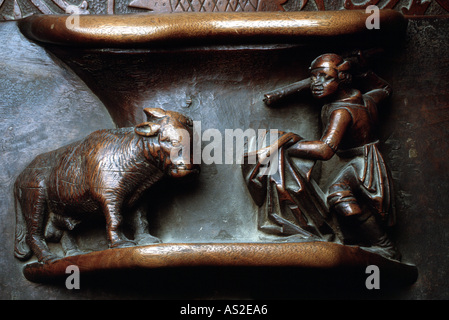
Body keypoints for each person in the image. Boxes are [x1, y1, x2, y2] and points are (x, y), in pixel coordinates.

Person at [287, 53, 400, 259]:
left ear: (344, 79)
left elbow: (325, 149)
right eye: (314, 77)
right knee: (339, 195)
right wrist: (365, 71)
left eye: (326, 77)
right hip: (368, 159)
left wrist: (291, 146)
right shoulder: (367, 99)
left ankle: (383, 245)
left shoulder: (341, 111)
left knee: (338, 195)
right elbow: (385, 89)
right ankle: (370, 241)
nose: (316, 83)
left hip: (360, 163)